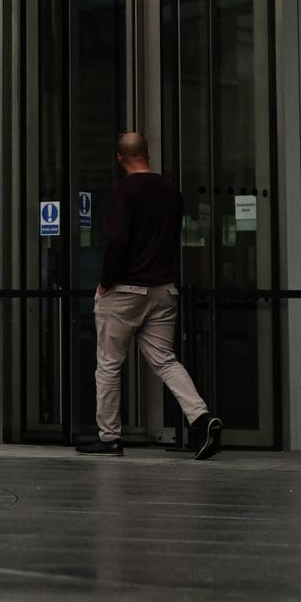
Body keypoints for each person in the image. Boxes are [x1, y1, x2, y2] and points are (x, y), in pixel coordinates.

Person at [76, 132, 221, 459]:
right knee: (165, 360)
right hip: (164, 289)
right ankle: (201, 417)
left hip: (126, 290)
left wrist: (105, 282)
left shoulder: (122, 190)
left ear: (120, 158)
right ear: (147, 154)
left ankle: (109, 437)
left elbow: (118, 241)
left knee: (109, 364)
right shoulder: (171, 192)